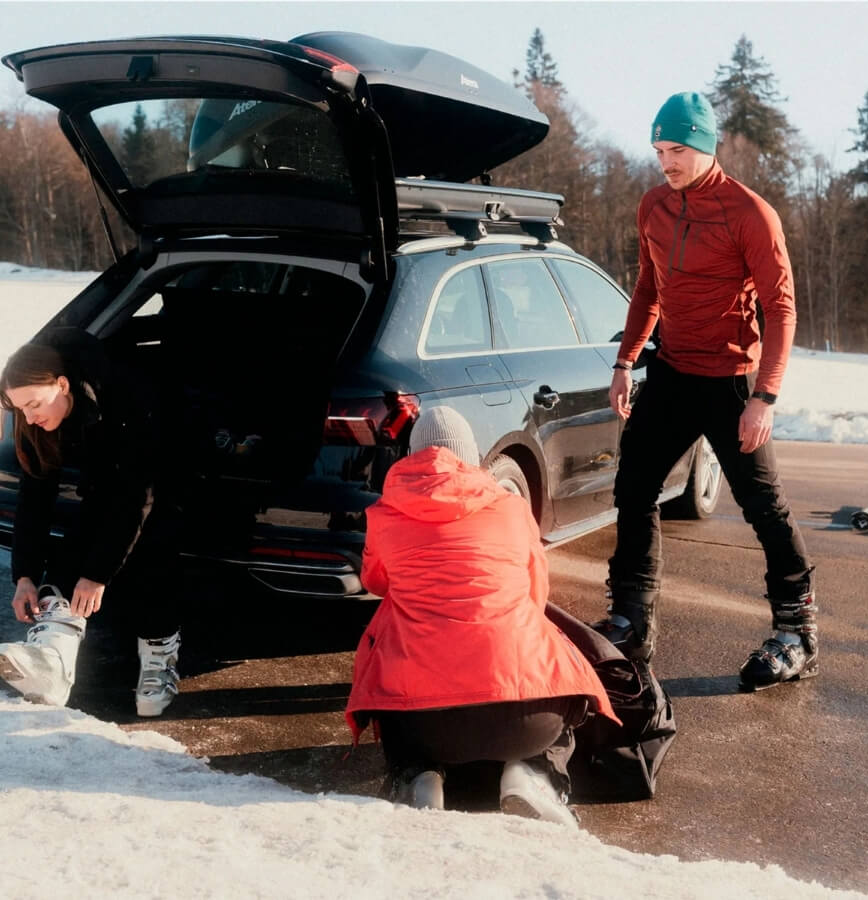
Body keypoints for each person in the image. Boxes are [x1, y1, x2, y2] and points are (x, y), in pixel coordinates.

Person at [595, 91, 816, 691]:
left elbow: (781, 308)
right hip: (671, 372)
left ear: (705, 146)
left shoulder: (751, 214)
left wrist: (764, 398)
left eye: (677, 150)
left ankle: (796, 631)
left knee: (763, 506)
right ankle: (631, 619)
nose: (667, 162)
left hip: (731, 381)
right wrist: (625, 361)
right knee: (634, 487)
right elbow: (648, 288)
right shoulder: (653, 206)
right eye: (659, 151)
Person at [345, 406, 620, 825]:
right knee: (544, 646)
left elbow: (376, 582)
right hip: (532, 717)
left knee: (391, 634)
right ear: (472, 456)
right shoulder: (512, 508)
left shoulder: (384, 514)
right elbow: (535, 594)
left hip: (422, 726)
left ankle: (418, 775)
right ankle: (534, 772)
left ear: (412, 456)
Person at [0, 327, 182, 716]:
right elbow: (34, 500)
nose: (29, 416)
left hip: (163, 482)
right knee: (69, 557)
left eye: (34, 404)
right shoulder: (36, 422)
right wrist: (24, 576)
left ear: (62, 385)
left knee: (147, 553)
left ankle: (160, 652)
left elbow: (136, 496)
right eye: (20, 409)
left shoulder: (126, 394)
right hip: (102, 487)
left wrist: (98, 574)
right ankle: (52, 660)